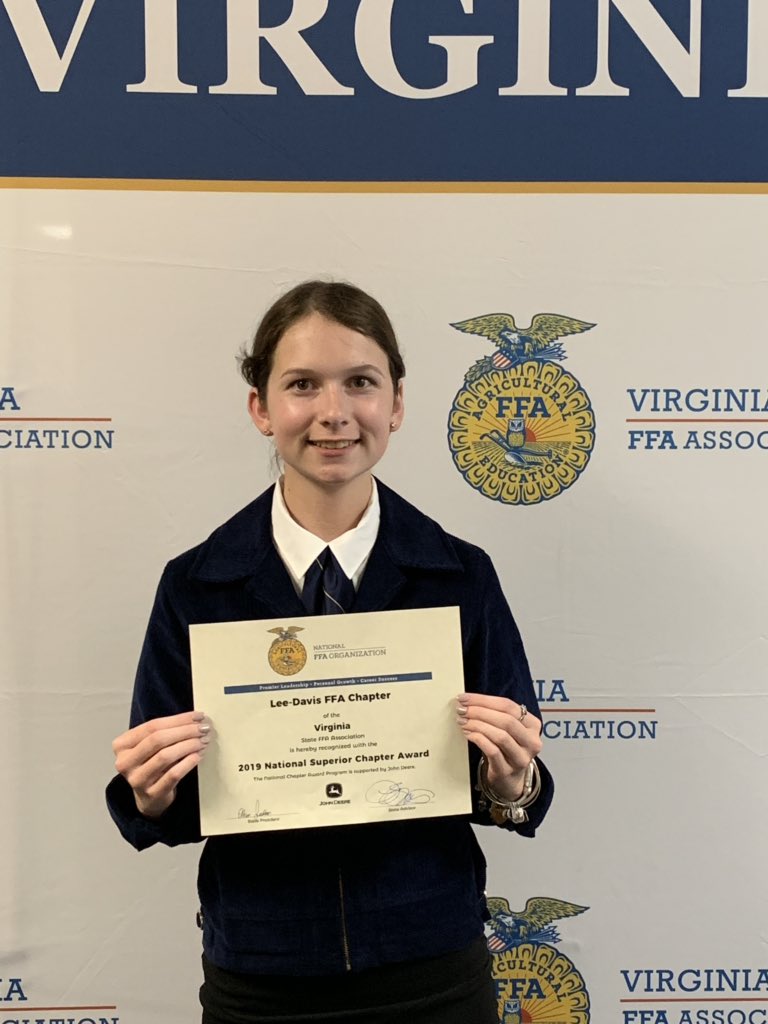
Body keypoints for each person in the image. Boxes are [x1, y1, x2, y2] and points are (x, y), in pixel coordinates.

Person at [106, 280, 553, 1024]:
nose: (333, 412)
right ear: (261, 408)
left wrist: (513, 781)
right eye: (303, 385)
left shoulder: (461, 575)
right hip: (262, 975)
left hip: (433, 970)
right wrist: (153, 794)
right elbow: (165, 806)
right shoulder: (194, 586)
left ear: (397, 404)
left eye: (360, 383)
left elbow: (517, 794)